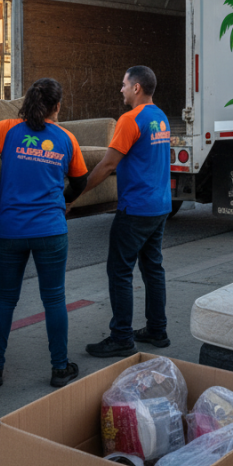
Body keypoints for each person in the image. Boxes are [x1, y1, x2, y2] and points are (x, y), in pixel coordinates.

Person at [0, 78, 89, 388]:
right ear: (57, 107)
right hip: (50, 229)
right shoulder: (66, 138)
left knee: (4, 299)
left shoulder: (8, 130)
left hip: (10, 230)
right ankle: (59, 368)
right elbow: (81, 181)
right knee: (54, 299)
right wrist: (64, 201)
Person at [82, 66, 172, 358]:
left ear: (136, 88)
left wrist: (77, 194)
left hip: (136, 209)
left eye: (123, 84)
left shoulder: (130, 119)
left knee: (120, 272)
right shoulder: (160, 117)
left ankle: (121, 337)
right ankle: (157, 330)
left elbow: (108, 164)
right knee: (153, 269)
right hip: (160, 206)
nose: (121, 89)